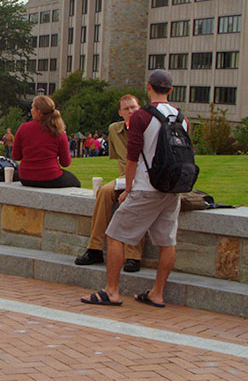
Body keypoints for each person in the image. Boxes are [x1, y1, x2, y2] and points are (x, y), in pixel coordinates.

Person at [81, 70, 187, 307]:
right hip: (172, 189)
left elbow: (132, 158)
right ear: (170, 90)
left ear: (148, 87)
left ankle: (112, 291)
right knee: (167, 242)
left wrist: (128, 189)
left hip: (146, 187)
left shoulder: (142, 117)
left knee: (115, 234)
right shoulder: (181, 118)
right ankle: (157, 293)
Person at [75, 94, 145, 272]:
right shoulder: (115, 130)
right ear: (120, 112)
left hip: (145, 178)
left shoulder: (148, 128)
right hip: (125, 176)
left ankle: (133, 255)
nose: (130, 111)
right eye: (126, 108)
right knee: (104, 192)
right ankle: (95, 248)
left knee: (135, 197)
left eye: (133, 107)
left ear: (140, 109)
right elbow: (118, 159)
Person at [13, 95, 80, 188]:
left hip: (26, 177)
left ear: (38, 112)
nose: (31, 110)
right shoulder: (58, 131)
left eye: (32, 107)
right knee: (75, 182)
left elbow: (16, 156)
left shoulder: (23, 128)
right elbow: (65, 162)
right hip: (50, 176)